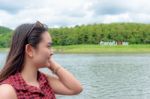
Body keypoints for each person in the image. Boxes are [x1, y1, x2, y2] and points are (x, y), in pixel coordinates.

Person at [0, 21, 83, 99]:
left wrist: (52, 64)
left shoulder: (43, 81)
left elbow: (76, 89)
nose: (52, 52)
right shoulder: (7, 91)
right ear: (30, 50)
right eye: (48, 46)